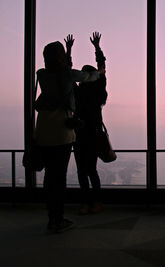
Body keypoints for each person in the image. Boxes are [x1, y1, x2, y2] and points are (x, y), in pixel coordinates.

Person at [35, 38, 104, 233]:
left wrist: (69, 50)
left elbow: (63, 76)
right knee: (60, 176)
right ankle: (57, 219)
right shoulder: (69, 76)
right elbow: (86, 76)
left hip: (43, 129)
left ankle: (52, 216)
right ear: (61, 57)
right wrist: (98, 70)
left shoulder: (41, 74)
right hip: (61, 131)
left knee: (50, 177)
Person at [66, 32, 108, 215]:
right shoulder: (98, 91)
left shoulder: (78, 91)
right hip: (93, 132)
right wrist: (97, 48)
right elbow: (102, 68)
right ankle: (95, 203)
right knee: (91, 170)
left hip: (80, 132)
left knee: (83, 170)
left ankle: (86, 203)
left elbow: (68, 72)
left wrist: (68, 51)